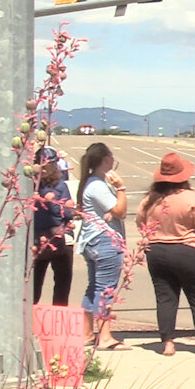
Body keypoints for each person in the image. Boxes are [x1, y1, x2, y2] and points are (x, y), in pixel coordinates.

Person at [135, 152, 195, 357]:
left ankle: (168, 343)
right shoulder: (190, 198)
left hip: (156, 251)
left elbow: (140, 223)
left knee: (165, 298)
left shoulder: (149, 200)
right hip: (188, 250)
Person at [77, 142, 127, 350]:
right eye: (111, 158)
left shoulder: (91, 183)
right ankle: (104, 336)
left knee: (94, 288)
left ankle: (87, 332)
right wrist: (121, 188)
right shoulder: (98, 184)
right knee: (105, 289)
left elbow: (107, 210)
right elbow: (120, 211)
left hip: (92, 240)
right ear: (105, 160)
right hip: (104, 241)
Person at [31, 158, 75, 306]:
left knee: (34, 283)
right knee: (62, 282)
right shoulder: (60, 185)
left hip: (36, 240)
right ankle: (58, 318)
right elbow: (67, 213)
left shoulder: (32, 186)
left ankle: (30, 316)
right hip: (58, 238)